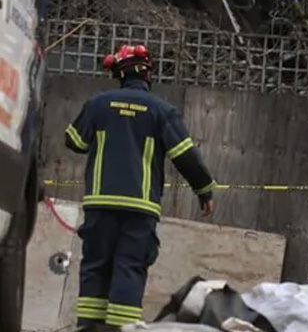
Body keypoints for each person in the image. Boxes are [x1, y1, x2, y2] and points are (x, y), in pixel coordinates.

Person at [66, 44, 216, 332]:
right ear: (148, 73)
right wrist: (204, 190)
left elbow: (74, 141)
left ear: (118, 74)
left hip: (100, 204)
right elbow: (185, 155)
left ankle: (88, 327)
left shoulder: (98, 104)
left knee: (96, 264)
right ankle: (122, 329)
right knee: (130, 267)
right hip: (140, 207)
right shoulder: (161, 111)